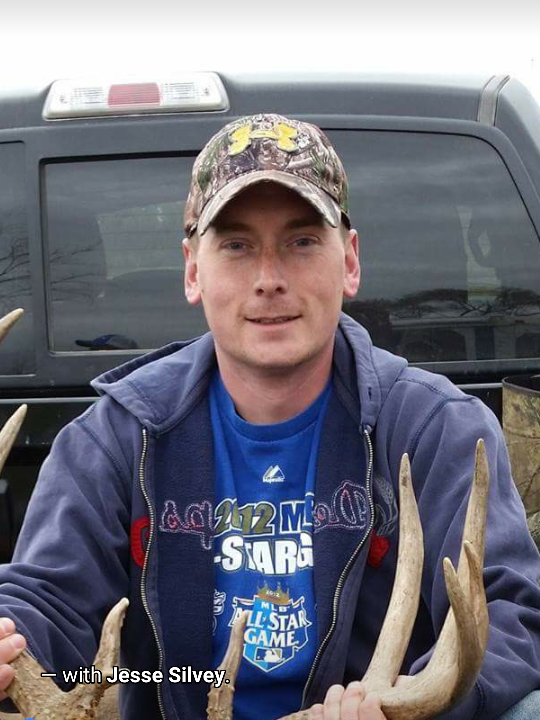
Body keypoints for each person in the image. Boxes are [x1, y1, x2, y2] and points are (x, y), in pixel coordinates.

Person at [0, 113, 540, 720]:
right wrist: (12, 639)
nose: (268, 280)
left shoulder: (435, 430)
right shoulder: (118, 439)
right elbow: (47, 597)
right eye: (236, 246)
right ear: (193, 270)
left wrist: (403, 706)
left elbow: (513, 612)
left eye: (301, 242)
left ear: (350, 260)